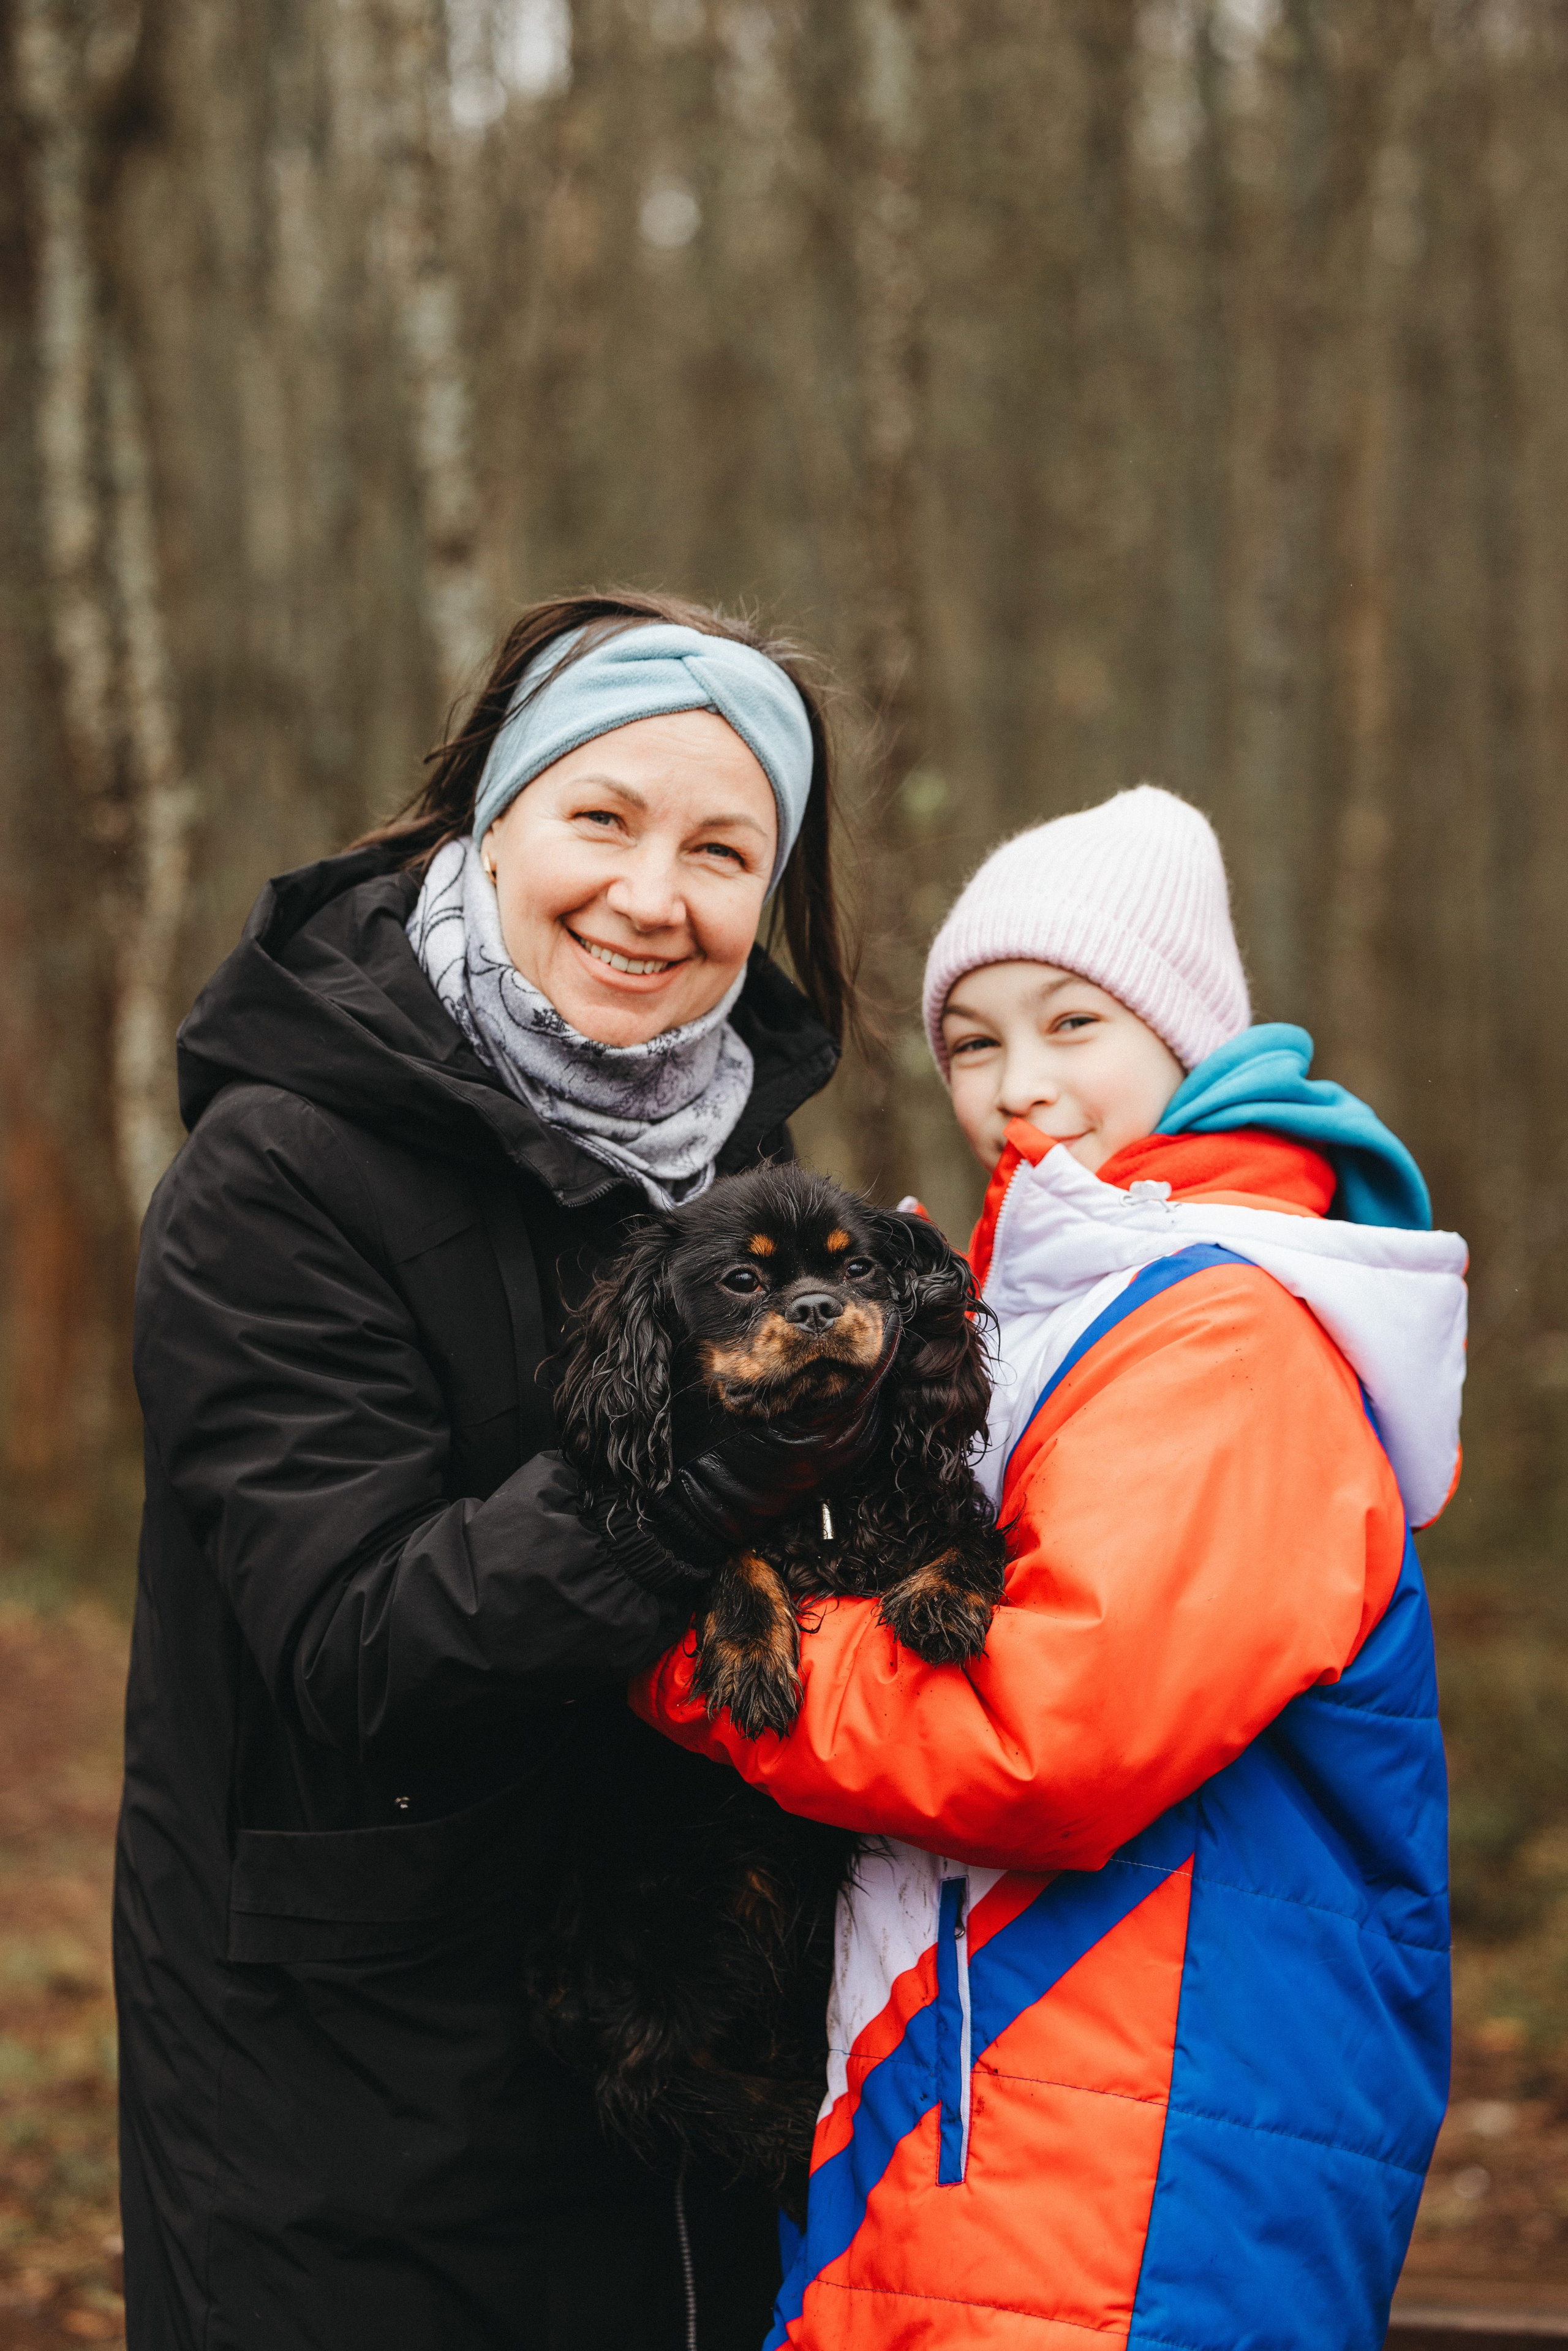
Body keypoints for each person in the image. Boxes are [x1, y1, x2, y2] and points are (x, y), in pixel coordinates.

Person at [114, 591, 867, 2351]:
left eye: (721, 848)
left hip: (678, 2084)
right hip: (353, 2103)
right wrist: (708, 1466)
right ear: (491, 817)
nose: (651, 894)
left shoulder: (737, 1167)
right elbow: (364, 1638)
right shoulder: (279, 1171)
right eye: (600, 817)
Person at [638, 784, 1467, 2350]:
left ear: (1186, 1034)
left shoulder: (1225, 1336)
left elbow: (1037, 1735)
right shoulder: (1055, 1317)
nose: (1021, 1088)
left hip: (1134, 2149)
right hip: (997, 2111)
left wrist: (671, 1651)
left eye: (1072, 1022)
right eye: (973, 1041)